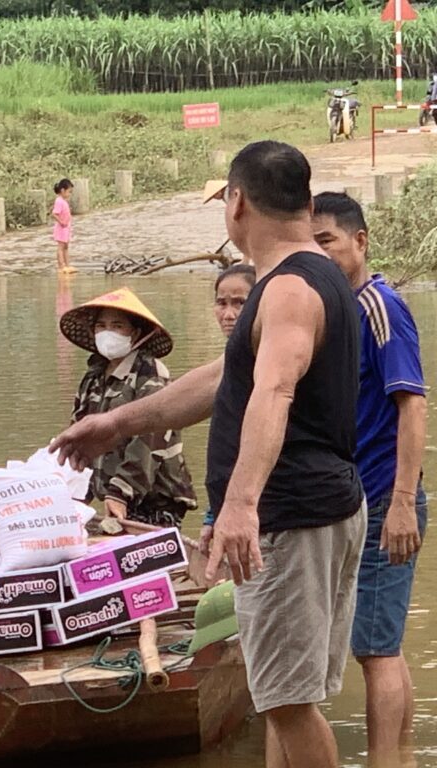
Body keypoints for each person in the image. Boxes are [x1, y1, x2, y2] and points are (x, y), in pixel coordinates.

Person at [51, 141, 365, 768]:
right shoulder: (306, 277)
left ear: (237, 202)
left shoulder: (289, 290)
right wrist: (115, 424)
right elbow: (224, 380)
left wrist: (241, 505)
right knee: (285, 699)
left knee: (290, 706)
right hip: (313, 508)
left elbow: (274, 392)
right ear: (305, 203)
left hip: (291, 517)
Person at [312, 191, 427, 763]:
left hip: (383, 498)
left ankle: (384, 760)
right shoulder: (336, 311)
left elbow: (412, 405)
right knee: (383, 645)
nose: (320, 254)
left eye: (328, 241)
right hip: (359, 500)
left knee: (374, 648)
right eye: (311, 245)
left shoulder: (378, 306)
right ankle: (401, 754)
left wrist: (403, 499)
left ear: (359, 241)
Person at [59, 287, 197, 527]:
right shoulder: (93, 378)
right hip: (113, 498)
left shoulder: (150, 373)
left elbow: (151, 436)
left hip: (154, 502)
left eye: (117, 326)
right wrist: (75, 489)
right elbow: (80, 437)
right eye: (101, 326)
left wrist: (121, 491)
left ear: (135, 333)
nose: (107, 332)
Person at [199, 265, 256, 554]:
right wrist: (213, 514)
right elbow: (228, 446)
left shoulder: (267, 365)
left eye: (239, 303)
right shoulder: (233, 363)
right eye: (221, 303)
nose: (228, 315)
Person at [52, 178, 75, 274]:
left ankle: (67, 265)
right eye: (69, 192)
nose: (70, 194)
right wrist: (61, 222)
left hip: (66, 228)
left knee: (66, 246)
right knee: (61, 247)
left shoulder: (63, 201)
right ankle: (61, 266)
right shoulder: (59, 201)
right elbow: (54, 214)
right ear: (62, 190)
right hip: (61, 228)